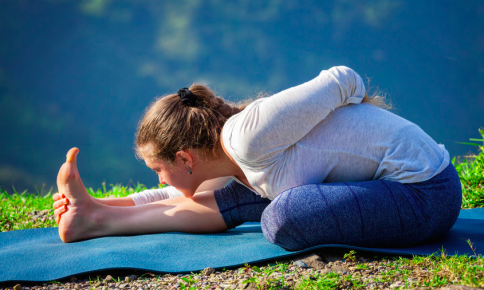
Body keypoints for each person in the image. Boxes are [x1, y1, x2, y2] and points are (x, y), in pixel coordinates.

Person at [53, 66, 462, 250]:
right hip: (386, 188)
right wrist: (96, 203)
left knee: (281, 216)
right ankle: (96, 220)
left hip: (424, 192)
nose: (160, 181)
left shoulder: (247, 137)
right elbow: (180, 200)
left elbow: (342, 78)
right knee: (239, 199)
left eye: (159, 170)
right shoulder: (226, 158)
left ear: (185, 157)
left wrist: (363, 127)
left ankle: (97, 218)